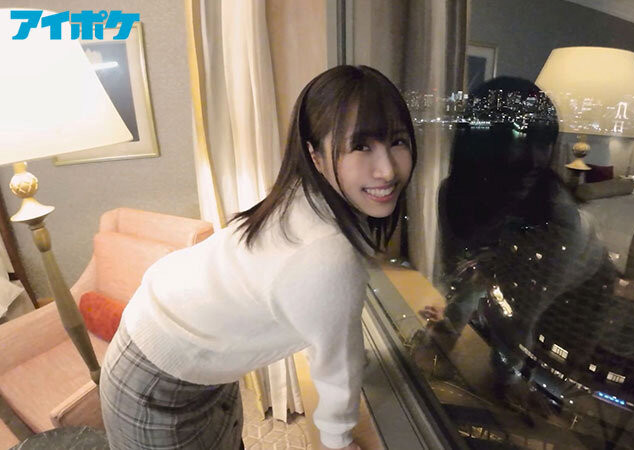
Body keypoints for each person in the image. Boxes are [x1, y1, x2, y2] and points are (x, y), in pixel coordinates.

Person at [99, 65, 417, 450]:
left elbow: (324, 321)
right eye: (361, 146)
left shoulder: (307, 196)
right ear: (315, 155)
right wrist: (338, 439)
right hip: (157, 376)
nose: (387, 170)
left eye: (397, 141)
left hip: (185, 350)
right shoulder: (327, 254)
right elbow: (337, 364)